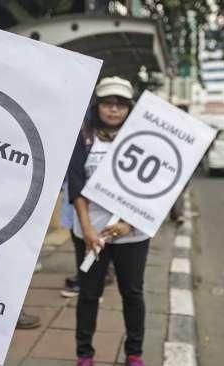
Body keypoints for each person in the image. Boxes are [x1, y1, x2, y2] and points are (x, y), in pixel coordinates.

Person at [67, 77, 149, 366]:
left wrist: (129, 223)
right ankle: (84, 355)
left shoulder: (143, 139)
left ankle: (135, 353)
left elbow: (153, 187)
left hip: (132, 233)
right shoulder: (85, 137)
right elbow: (75, 184)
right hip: (90, 233)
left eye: (121, 104)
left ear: (130, 108)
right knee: (89, 294)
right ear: (97, 106)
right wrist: (87, 229)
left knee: (133, 293)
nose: (114, 110)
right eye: (107, 103)